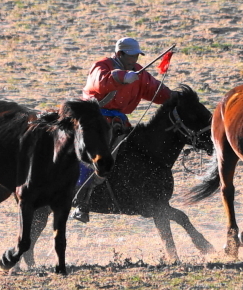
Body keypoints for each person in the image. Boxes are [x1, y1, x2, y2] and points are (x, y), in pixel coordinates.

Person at [71, 37, 173, 222]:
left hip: (119, 123)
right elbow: (100, 82)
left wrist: (175, 97)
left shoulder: (138, 72)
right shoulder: (102, 66)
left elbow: (155, 89)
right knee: (95, 154)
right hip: (94, 122)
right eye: (131, 56)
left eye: (137, 56)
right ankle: (81, 199)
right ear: (119, 54)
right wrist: (121, 77)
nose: (135, 59)